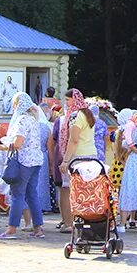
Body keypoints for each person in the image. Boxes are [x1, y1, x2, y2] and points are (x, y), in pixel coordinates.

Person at [0, 92, 45, 240]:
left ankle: (11, 229)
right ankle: (38, 228)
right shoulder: (34, 119)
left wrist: (1, 146)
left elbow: (17, 144)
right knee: (31, 194)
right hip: (36, 161)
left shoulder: (22, 120)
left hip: (24, 161)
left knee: (17, 194)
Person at [55, 88, 89, 232]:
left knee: (67, 189)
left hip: (75, 156)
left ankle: (70, 222)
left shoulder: (75, 116)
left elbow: (73, 140)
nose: (66, 103)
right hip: (87, 155)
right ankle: (77, 221)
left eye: (68, 100)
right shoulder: (88, 115)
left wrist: (66, 160)